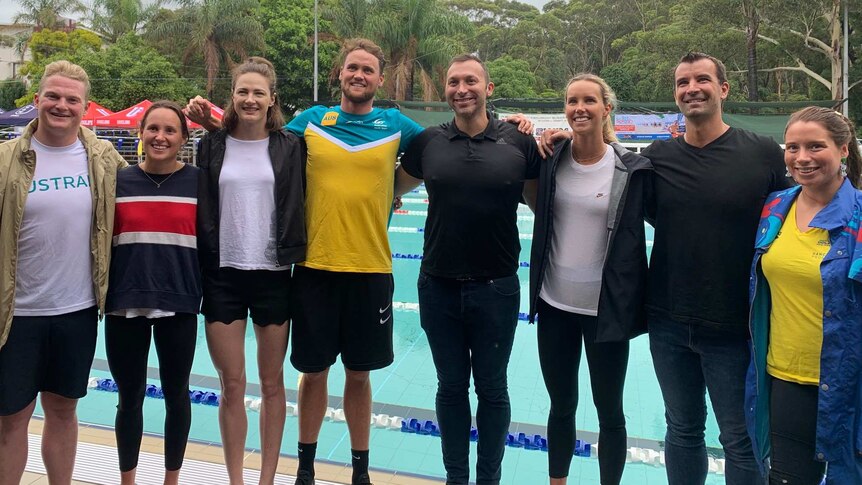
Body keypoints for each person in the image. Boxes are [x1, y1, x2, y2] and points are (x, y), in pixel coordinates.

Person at [396, 54, 541, 485]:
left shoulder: (519, 142)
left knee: (493, 390)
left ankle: (488, 479)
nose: (462, 89)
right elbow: (389, 188)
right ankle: (456, 478)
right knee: (451, 388)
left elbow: (541, 203)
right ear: (446, 90)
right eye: (454, 82)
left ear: (488, 89)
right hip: (437, 285)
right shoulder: (428, 143)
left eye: (471, 81)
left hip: (496, 288)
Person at [0, 60, 127, 484]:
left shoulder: (103, 158)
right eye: (53, 96)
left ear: (85, 107)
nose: (61, 105)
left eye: (72, 99)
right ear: (37, 100)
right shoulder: (4, 160)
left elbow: (147, 194)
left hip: (76, 309)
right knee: (11, 419)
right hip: (16, 313)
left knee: (63, 410)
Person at [526, 74, 651, 485]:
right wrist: (518, 122)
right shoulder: (551, 159)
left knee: (609, 411)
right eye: (572, 101)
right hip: (556, 305)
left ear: (606, 109)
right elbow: (509, 143)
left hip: (605, 313)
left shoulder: (629, 168)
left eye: (589, 101)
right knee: (561, 406)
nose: (579, 108)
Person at [196, 57, 306, 485]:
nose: (250, 98)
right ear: (233, 97)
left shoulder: (290, 146)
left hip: (273, 272)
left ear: (271, 99)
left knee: (272, 383)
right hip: (222, 273)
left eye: (259, 92)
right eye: (243, 91)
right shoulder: (212, 145)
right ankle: (236, 479)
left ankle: (266, 478)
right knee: (232, 386)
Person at [746, 107, 862, 485]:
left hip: (850, 384)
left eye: (816, 146)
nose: (802, 158)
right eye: (792, 147)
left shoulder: (859, 217)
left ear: (843, 149)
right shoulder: (775, 207)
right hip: (784, 377)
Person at [104, 101, 201, 485]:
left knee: (178, 394)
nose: (160, 137)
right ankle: (128, 479)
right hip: (123, 301)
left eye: (170, 130)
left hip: (178, 301)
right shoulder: (119, 181)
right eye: (153, 129)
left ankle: (171, 479)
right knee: (129, 397)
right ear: (140, 133)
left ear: (183, 138)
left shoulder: (198, 181)